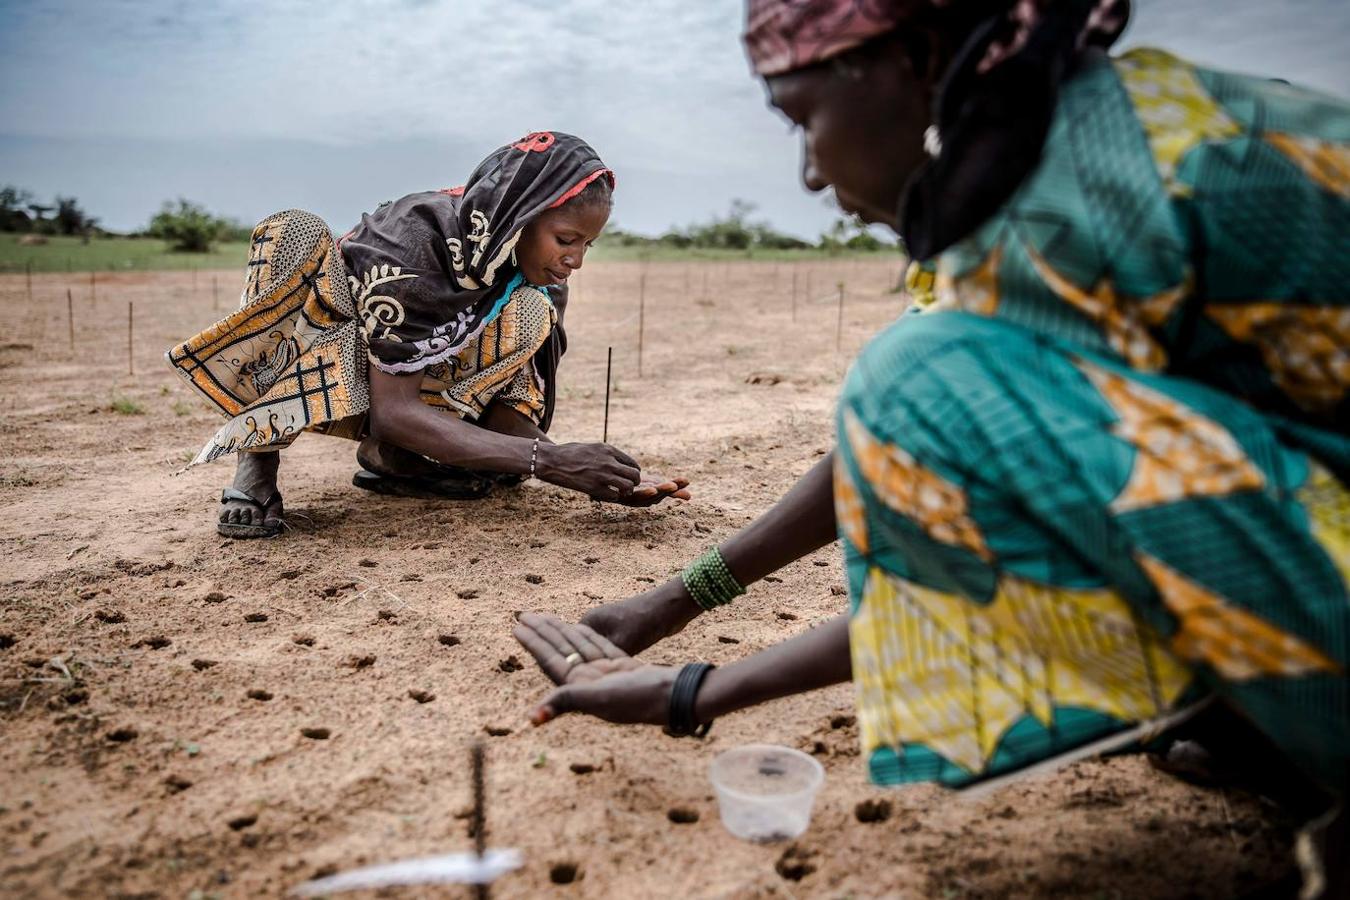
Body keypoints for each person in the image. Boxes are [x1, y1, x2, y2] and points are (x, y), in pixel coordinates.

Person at [512, 3, 1348, 895]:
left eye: (804, 122)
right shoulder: (1053, 162)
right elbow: (904, 444)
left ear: (914, 59)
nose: (807, 173)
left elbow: (988, 550)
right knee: (915, 375)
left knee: (911, 373)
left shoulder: (1087, 203)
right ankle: (1259, 720)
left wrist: (697, 692)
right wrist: (676, 603)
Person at [167, 132, 690, 538]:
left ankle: (392, 460)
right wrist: (552, 463)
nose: (574, 260)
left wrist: (596, 477)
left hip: (402, 391)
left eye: (587, 246)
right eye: (566, 239)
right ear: (519, 219)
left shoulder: (530, 282)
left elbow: (507, 413)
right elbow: (396, 410)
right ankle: (256, 461)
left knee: (534, 310)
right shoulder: (415, 248)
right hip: (327, 358)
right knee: (294, 231)